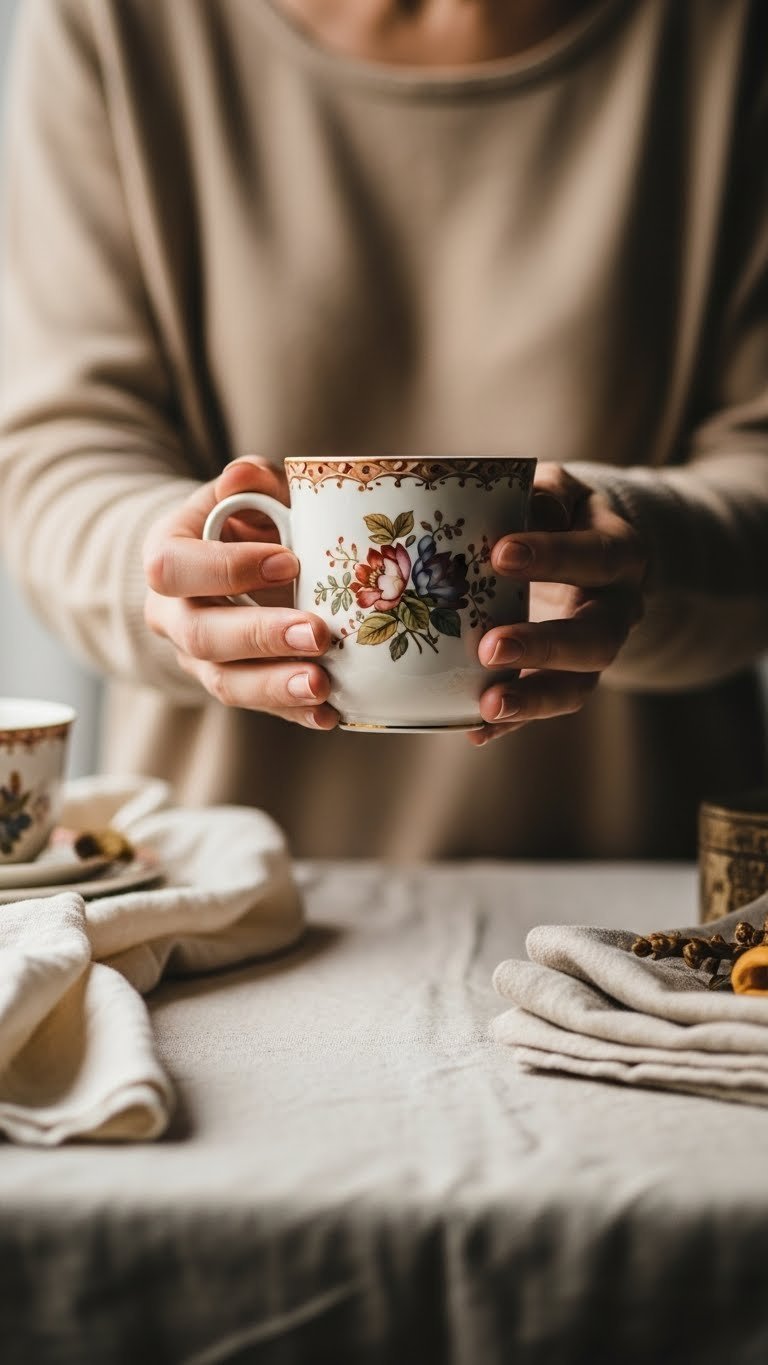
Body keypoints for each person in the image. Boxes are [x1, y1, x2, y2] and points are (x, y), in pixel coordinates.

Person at [0, 0, 766, 859]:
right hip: (229, 895)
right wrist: (168, 569)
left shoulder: (726, 32)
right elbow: (57, 448)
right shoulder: (112, 22)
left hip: (645, 910)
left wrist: (635, 548)